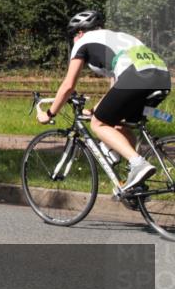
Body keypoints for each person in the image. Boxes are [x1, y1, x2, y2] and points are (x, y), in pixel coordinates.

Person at [37, 10, 171, 202]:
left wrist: (49, 114)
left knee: (97, 124)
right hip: (161, 77)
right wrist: (94, 111)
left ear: (80, 32)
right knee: (118, 125)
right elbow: (116, 90)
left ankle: (138, 164)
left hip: (134, 77)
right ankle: (136, 184)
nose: (74, 39)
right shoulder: (120, 38)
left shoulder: (83, 42)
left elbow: (68, 85)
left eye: (73, 34)